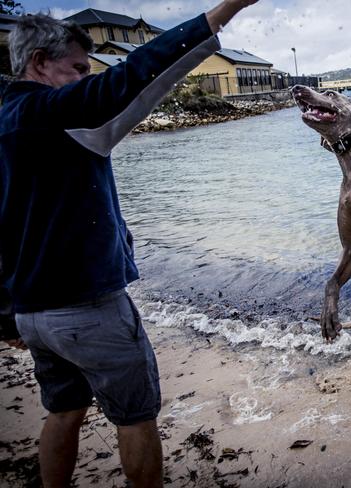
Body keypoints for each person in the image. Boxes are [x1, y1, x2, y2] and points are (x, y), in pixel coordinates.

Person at [0, 1, 259, 486]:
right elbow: (136, 75)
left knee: (64, 411)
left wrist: (5, 311)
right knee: (135, 418)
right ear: (38, 62)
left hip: (33, 313)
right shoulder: (55, 114)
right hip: (87, 309)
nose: (85, 78)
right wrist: (224, 12)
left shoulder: (6, 121)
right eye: (77, 69)